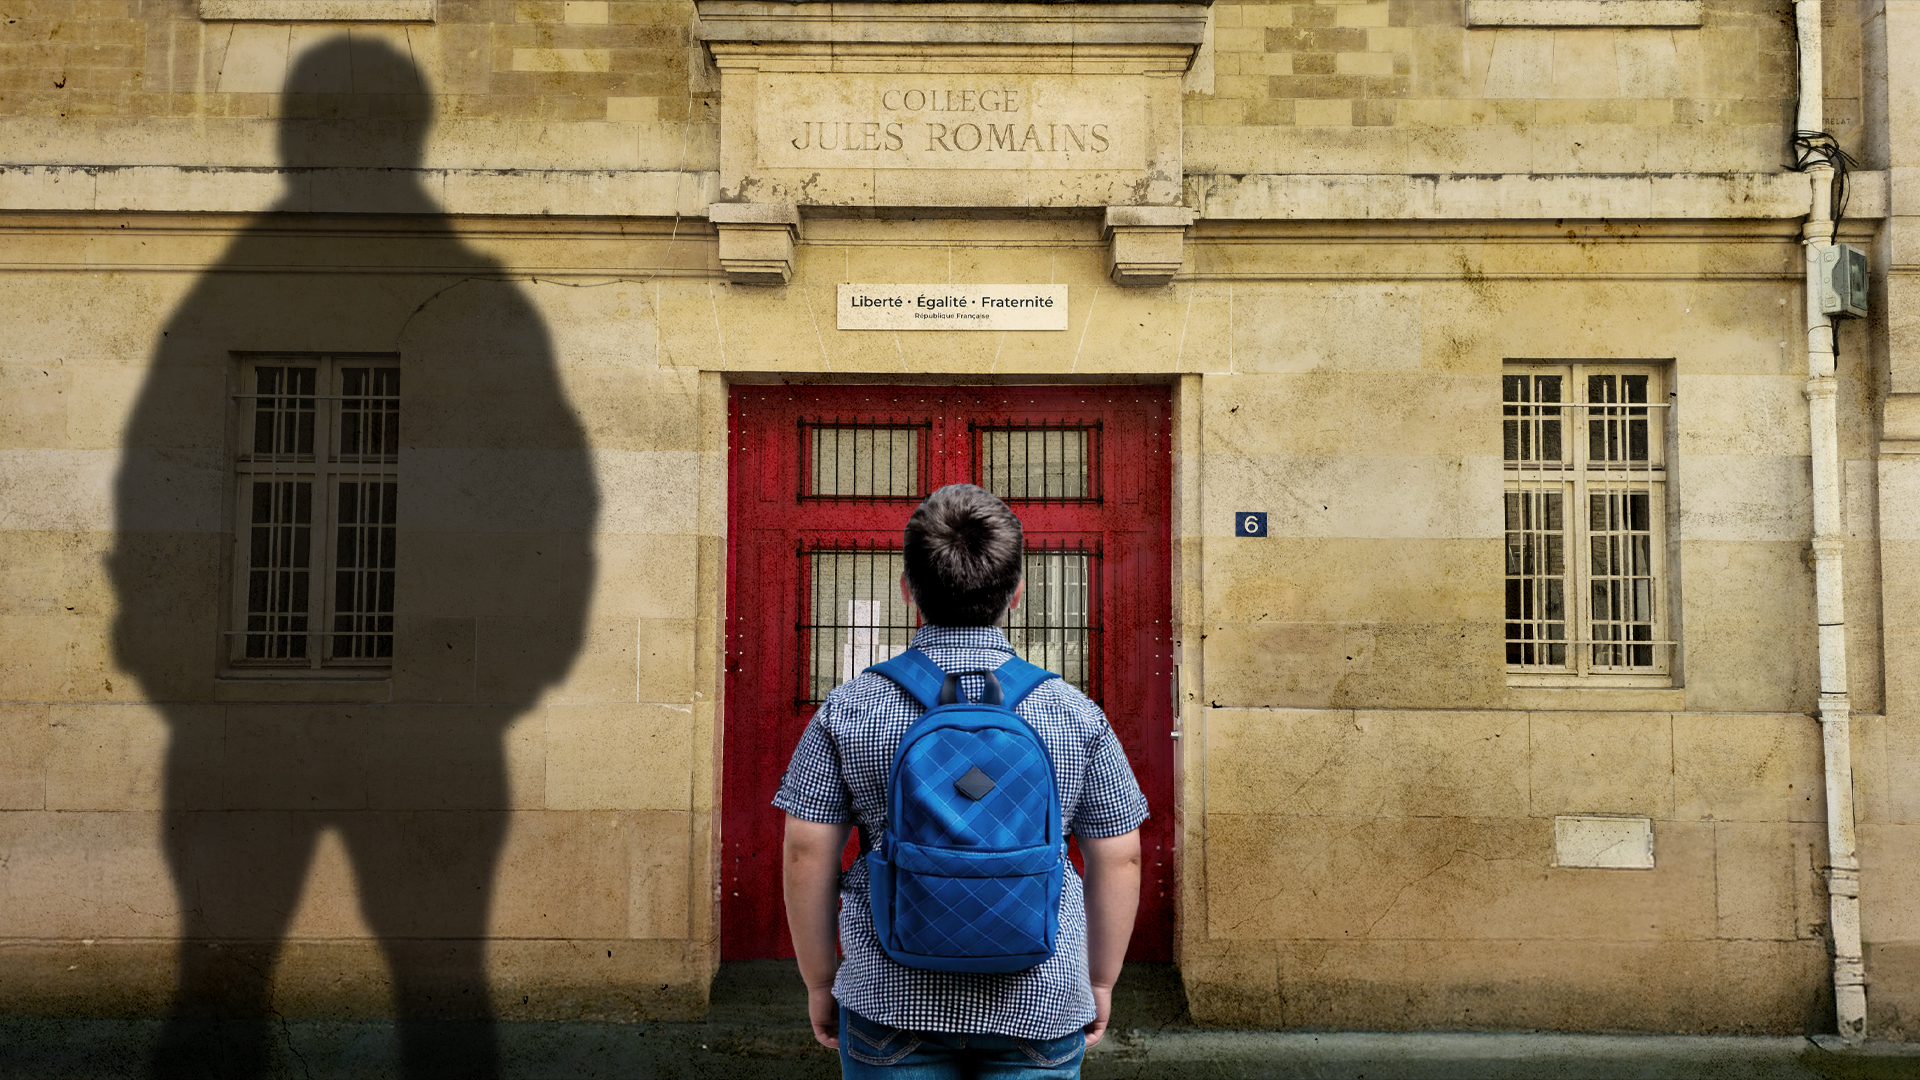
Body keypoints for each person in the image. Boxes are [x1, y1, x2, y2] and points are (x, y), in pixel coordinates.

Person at [775, 483, 1147, 1078]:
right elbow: (1119, 858)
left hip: (891, 997)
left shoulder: (852, 707)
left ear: (907, 592)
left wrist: (821, 981)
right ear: (1017, 594)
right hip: (1040, 998)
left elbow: (804, 852)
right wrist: (1098, 980)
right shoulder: (1073, 712)